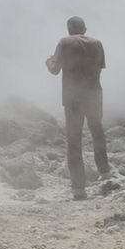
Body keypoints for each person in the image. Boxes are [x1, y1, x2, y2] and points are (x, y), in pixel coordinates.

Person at [46, 16, 108, 199]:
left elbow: (54, 70)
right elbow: (98, 68)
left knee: (74, 141)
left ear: (69, 29)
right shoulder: (97, 44)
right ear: (85, 29)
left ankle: (79, 189)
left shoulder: (65, 43)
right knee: (97, 131)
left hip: (73, 98)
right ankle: (105, 172)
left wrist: (48, 61)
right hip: (94, 94)